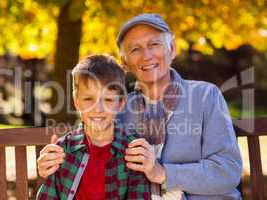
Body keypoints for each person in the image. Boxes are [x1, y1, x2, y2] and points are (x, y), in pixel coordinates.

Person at [37, 14, 243, 200]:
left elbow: (228, 171)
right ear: (125, 62)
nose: (146, 55)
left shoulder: (205, 96)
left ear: (172, 48)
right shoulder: (119, 109)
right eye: (135, 49)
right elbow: (91, 147)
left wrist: (161, 172)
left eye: (154, 44)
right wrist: (54, 163)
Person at [36, 55, 150, 200]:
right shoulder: (62, 150)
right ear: (77, 102)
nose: (98, 109)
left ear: (121, 103)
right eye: (89, 99)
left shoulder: (132, 152)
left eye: (108, 99)